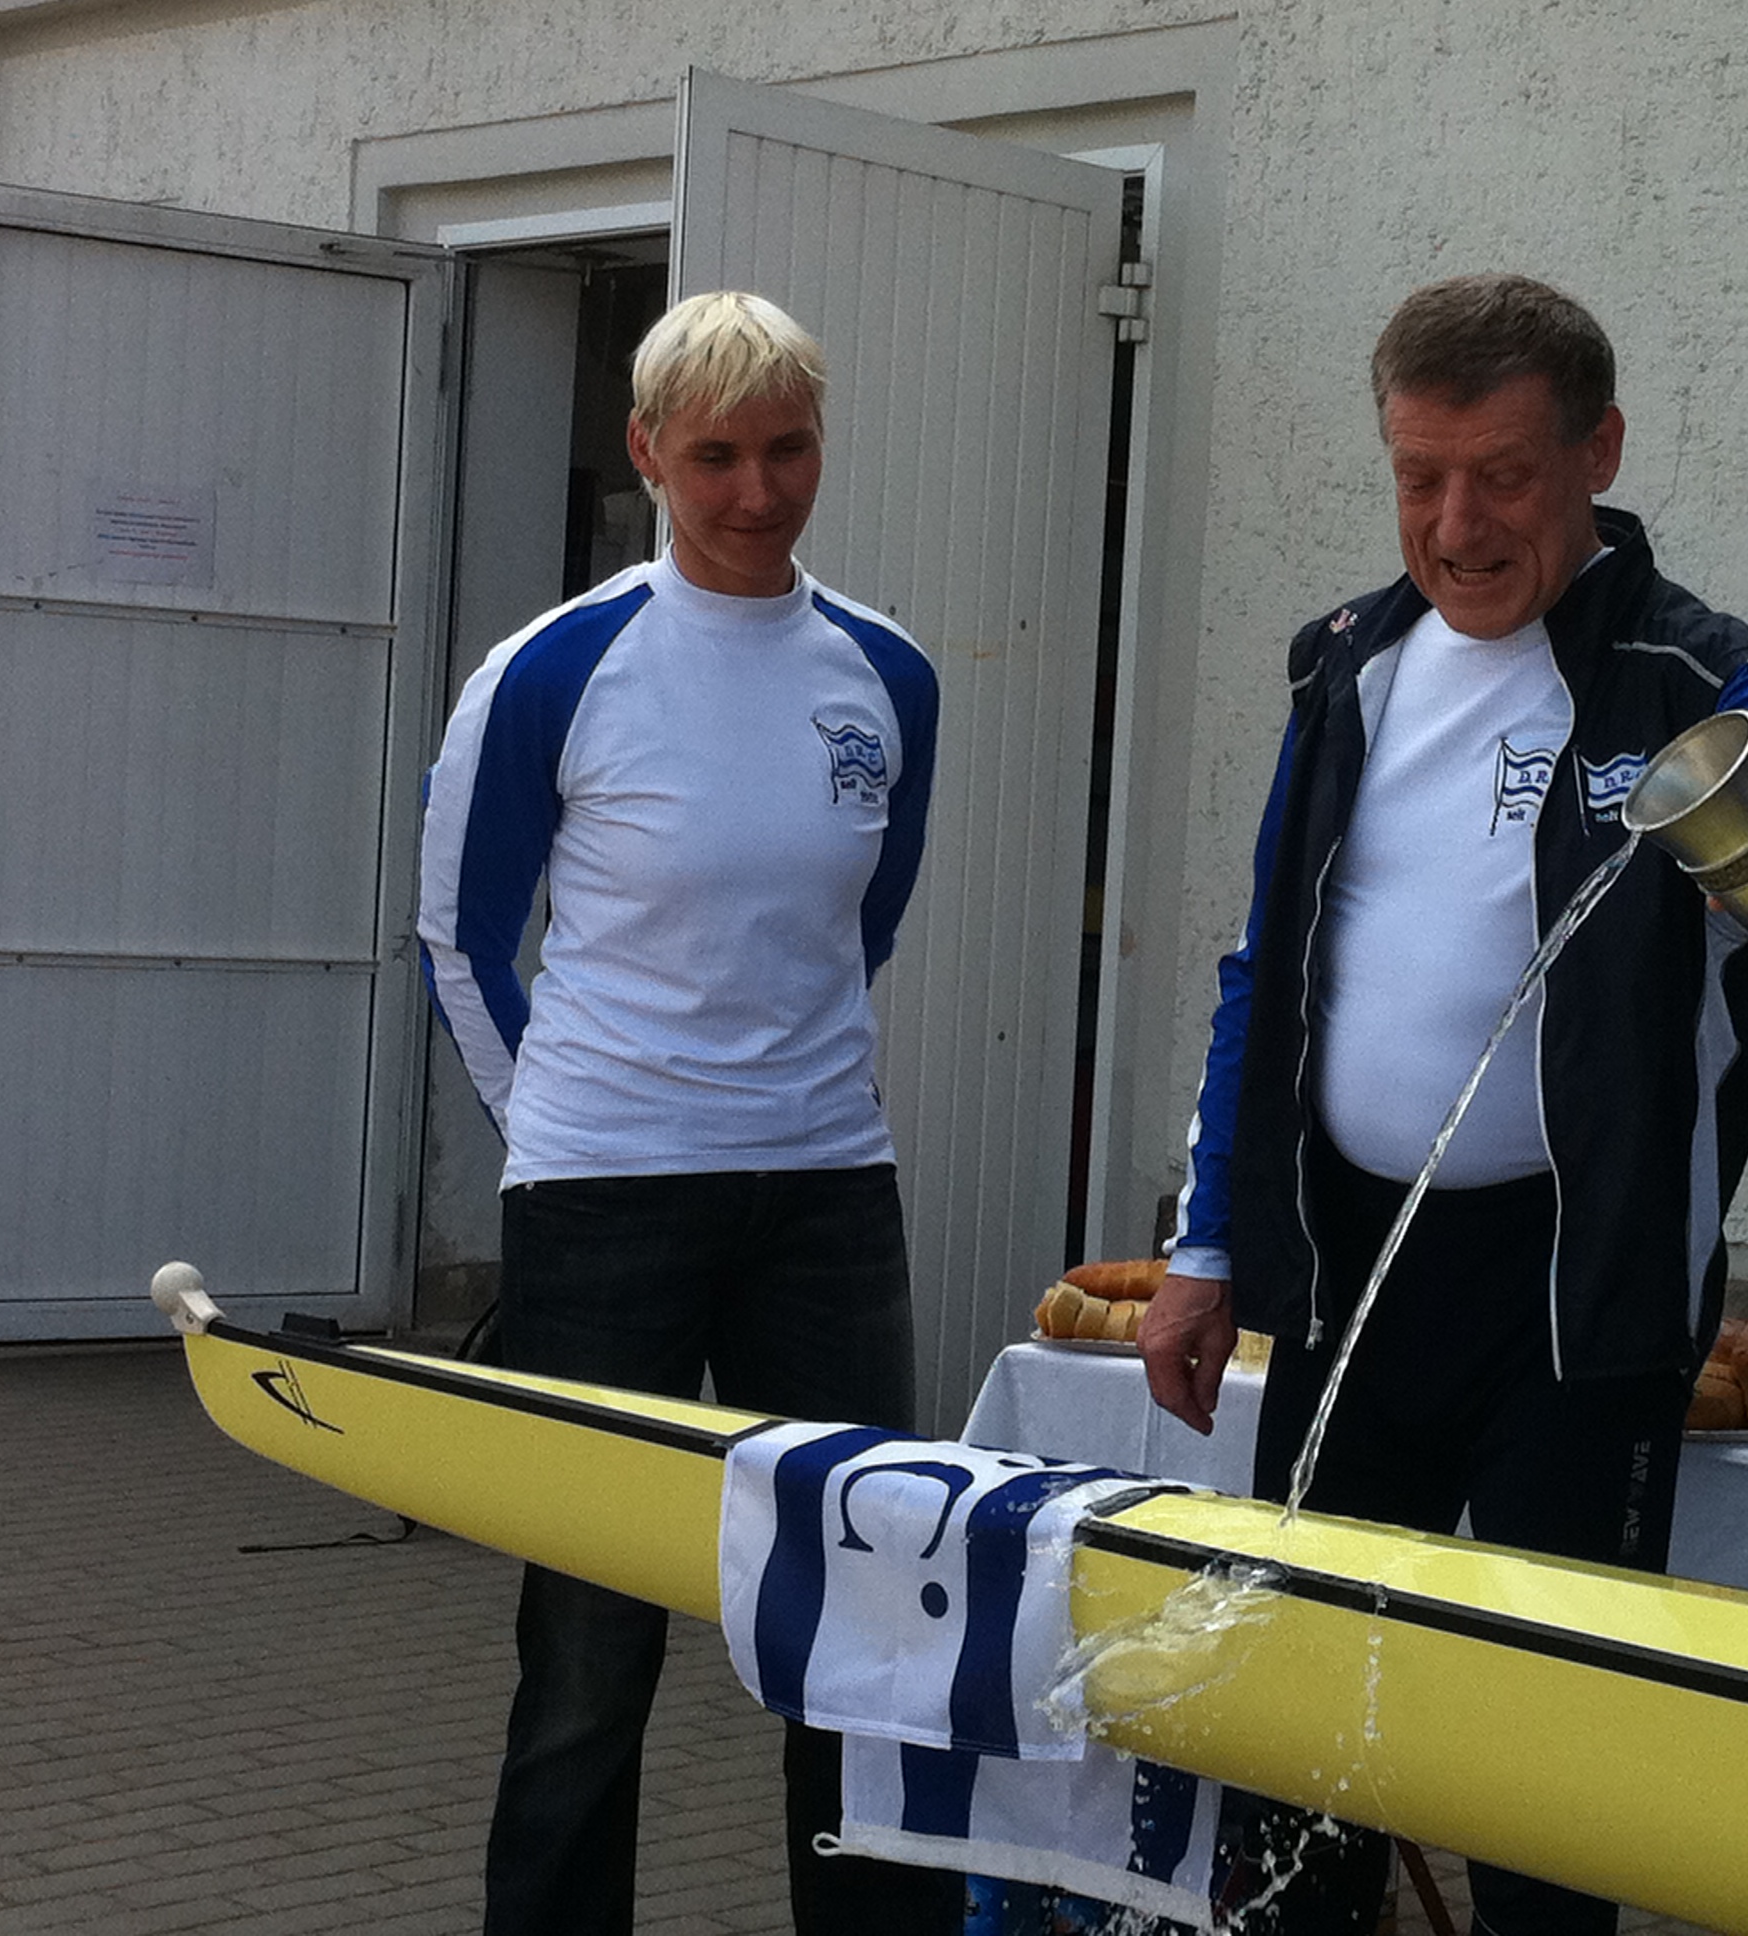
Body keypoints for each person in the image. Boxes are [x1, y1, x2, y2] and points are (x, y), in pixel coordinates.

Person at [1138, 273, 1748, 1936]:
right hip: (1352, 1270)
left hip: (1580, 1293)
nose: (1456, 525)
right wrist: (1207, 1244)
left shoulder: (1679, 667)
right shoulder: (1345, 660)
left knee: (1548, 1783)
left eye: (1500, 475)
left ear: (1596, 454)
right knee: (1303, 1758)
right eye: (1419, 477)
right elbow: (1265, 965)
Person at [418, 290, 963, 1934]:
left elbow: (859, 925)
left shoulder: (888, 673)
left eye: (787, 449)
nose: (756, 490)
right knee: (593, 1644)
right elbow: (459, 935)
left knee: (864, 1619)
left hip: (827, 1195)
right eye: (716, 456)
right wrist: (552, 1130)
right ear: (648, 454)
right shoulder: (552, 669)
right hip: (605, 1201)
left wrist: (788, 1083)